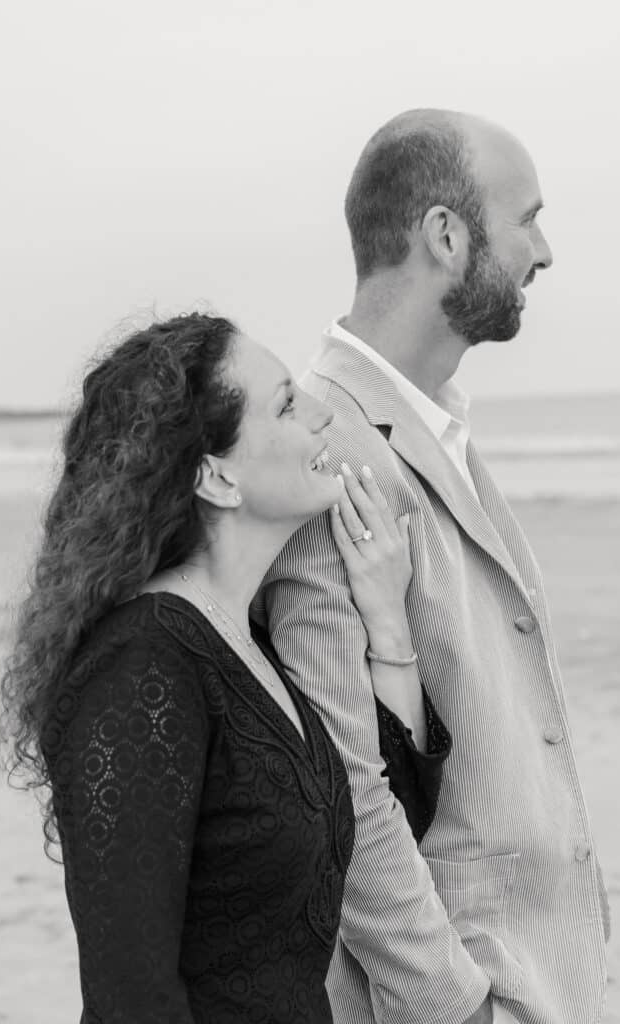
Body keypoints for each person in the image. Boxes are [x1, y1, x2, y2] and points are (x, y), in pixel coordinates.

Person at [0, 313, 451, 1023]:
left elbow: (382, 828)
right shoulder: (141, 666)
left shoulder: (246, 645)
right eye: (286, 404)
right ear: (215, 476)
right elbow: (130, 996)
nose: (322, 412)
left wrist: (386, 621)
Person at [257, 110, 610, 1024]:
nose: (544, 250)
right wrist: (453, 1007)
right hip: (468, 991)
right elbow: (343, 786)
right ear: (445, 236)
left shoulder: (439, 423)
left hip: (548, 975)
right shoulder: (322, 445)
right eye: (525, 217)